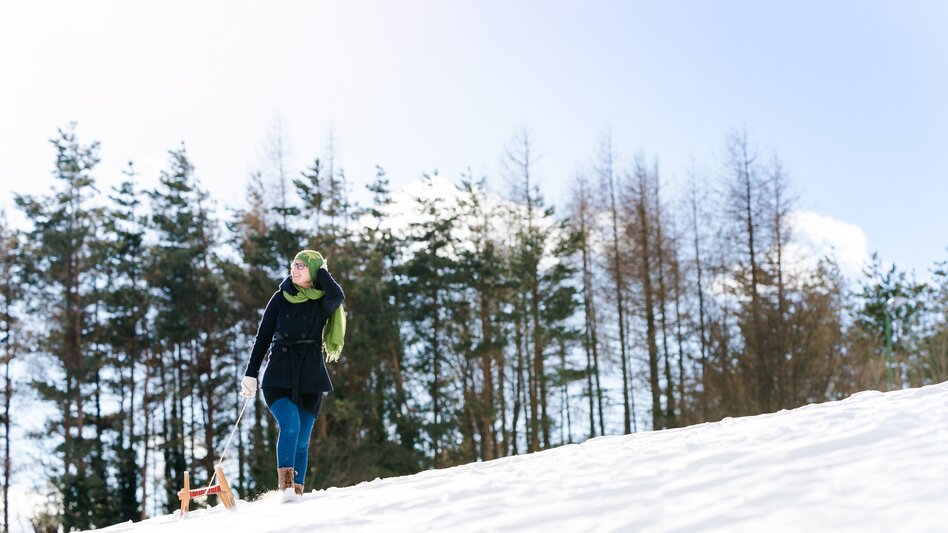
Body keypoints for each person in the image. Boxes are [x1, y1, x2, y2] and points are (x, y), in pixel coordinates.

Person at [240, 249, 346, 503]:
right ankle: (286, 489)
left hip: (311, 377)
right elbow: (263, 337)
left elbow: (337, 295)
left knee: (303, 441)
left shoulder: (322, 300)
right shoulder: (280, 297)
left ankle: (297, 493)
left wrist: (321, 271)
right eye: (293, 264)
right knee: (291, 426)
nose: (294, 269)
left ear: (314, 272)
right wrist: (251, 374)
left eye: (301, 266)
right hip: (279, 375)